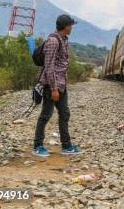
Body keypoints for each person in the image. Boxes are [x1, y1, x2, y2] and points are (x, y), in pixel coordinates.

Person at [33, 14, 84, 157]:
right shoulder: (52, 42)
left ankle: (66, 146)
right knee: (45, 115)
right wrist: (54, 89)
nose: (72, 28)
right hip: (52, 85)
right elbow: (49, 67)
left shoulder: (64, 40)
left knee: (65, 114)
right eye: (71, 25)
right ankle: (37, 146)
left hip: (61, 84)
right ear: (66, 26)